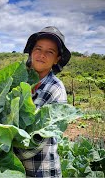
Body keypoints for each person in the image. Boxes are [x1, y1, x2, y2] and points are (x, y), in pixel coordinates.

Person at [16, 26, 71, 177]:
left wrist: (1, 147)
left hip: (41, 171)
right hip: (14, 170)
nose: (42, 55)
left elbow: (35, 143)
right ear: (31, 51)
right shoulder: (17, 80)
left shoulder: (55, 89)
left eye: (50, 52)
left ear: (57, 59)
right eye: (38, 49)